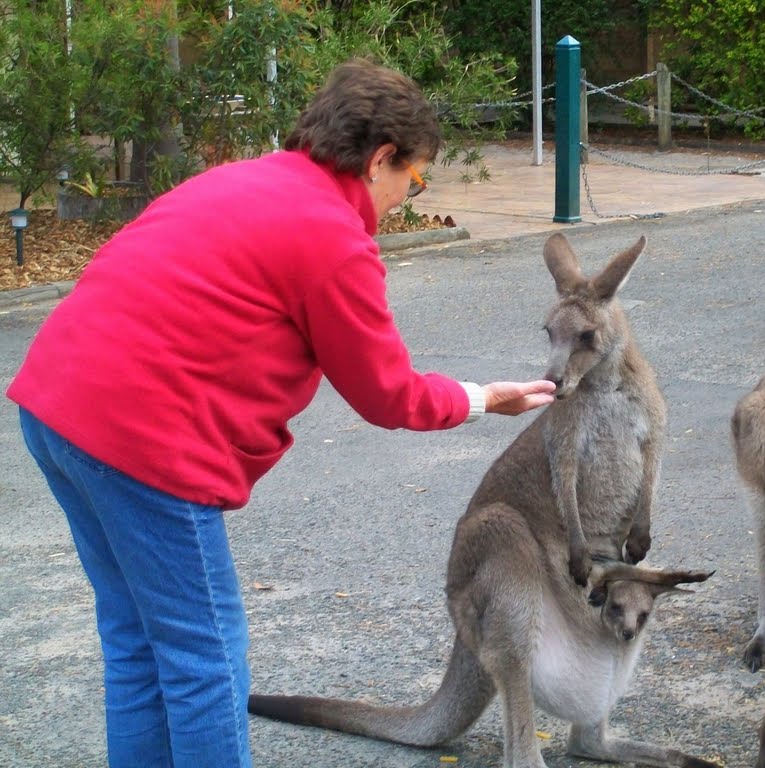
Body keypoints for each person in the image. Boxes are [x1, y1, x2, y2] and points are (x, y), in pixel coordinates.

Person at [6, 58, 554, 768]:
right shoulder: (332, 235)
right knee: (205, 653)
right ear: (380, 158)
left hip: (55, 406)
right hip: (141, 442)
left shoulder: (243, 176)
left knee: (138, 638)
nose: (404, 196)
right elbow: (388, 394)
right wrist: (482, 398)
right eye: (412, 179)